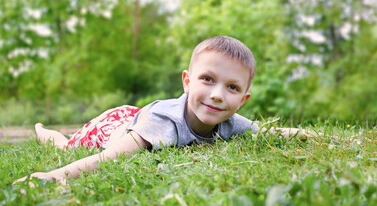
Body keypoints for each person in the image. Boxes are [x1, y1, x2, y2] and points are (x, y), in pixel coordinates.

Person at [14, 36, 312, 186]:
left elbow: (274, 132)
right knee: (68, 146)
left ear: (243, 100)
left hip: (139, 113)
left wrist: (326, 138)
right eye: (207, 79)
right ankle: (44, 132)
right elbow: (108, 158)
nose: (217, 95)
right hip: (114, 125)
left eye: (232, 88)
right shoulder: (163, 124)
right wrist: (55, 176)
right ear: (187, 81)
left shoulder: (231, 121)